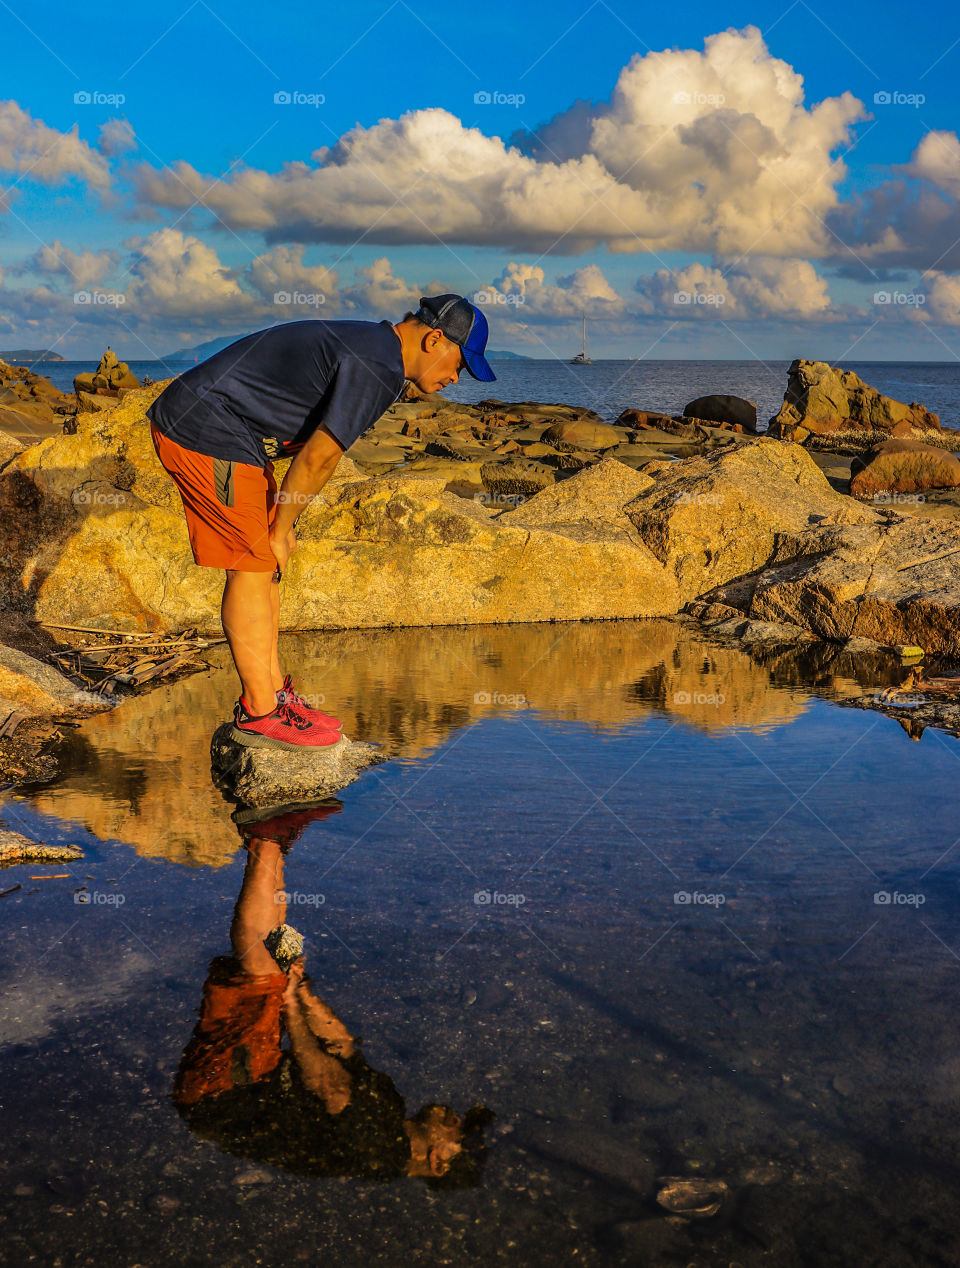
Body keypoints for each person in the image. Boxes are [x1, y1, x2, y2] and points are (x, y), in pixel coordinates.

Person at [147, 295, 496, 751]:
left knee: (267, 565)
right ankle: (260, 712)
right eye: (460, 365)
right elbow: (321, 456)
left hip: (237, 437)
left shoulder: (377, 350)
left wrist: (282, 528)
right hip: (206, 429)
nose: (456, 379)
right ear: (434, 339)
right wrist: (278, 528)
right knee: (251, 565)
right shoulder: (378, 363)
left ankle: (273, 696)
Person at [173, 803, 493, 1184]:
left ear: (438, 1162)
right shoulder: (390, 1112)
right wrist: (305, 994)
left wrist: (290, 1005)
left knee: (262, 977)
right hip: (250, 1080)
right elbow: (341, 1047)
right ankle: (273, 841)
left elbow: (329, 1084)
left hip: (228, 1095)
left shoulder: (381, 1150)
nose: (455, 1119)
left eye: (459, 1131)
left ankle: (265, 836)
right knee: (275, 965)